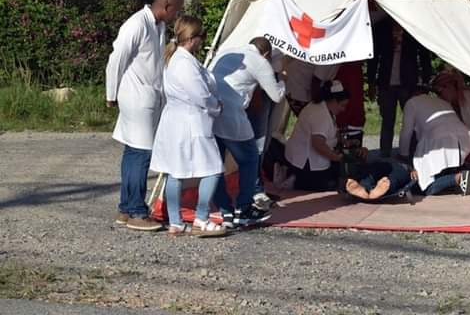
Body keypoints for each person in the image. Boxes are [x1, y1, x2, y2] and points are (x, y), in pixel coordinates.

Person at [105, 0, 183, 231]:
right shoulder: (137, 24)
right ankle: (138, 211)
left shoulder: (158, 26)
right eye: (177, 10)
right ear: (167, 5)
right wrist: (111, 92)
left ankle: (126, 208)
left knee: (132, 153)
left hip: (148, 97)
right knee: (141, 154)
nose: (177, 16)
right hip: (136, 98)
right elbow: (116, 58)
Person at [150, 16, 226, 237]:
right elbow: (199, 95)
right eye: (201, 37)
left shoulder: (173, 58)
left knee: (176, 172)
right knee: (213, 168)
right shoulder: (184, 64)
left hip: (175, 121)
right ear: (192, 39)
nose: (202, 41)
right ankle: (201, 218)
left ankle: (176, 221)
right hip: (191, 122)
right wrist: (216, 106)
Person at [210, 37, 288, 229]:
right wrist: (283, 80)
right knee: (250, 158)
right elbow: (276, 96)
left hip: (211, 110)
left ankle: (224, 208)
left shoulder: (226, 51)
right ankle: (244, 207)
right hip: (232, 113)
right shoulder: (260, 62)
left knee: (216, 163)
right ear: (267, 54)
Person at [367, 20, 432, 158]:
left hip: (408, 82)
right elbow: (373, 57)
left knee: (412, 119)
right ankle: (385, 153)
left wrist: (425, 81)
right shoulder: (382, 28)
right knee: (387, 119)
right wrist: (371, 82)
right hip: (386, 82)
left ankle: (412, 152)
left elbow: (424, 54)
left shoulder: (412, 26)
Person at [284, 80, 362, 191]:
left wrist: (345, 142)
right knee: (329, 183)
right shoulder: (320, 114)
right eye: (342, 105)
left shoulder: (324, 107)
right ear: (334, 101)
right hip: (305, 162)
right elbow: (318, 144)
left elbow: (332, 131)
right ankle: (294, 179)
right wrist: (337, 158)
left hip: (307, 158)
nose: (343, 109)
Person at [399, 89, 470, 196]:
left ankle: (458, 178)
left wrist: (403, 155)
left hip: (438, 139)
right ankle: (457, 176)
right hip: (464, 137)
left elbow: (406, 132)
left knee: (425, 186)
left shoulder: (411, 103)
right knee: (445, 166)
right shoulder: (442, 101)